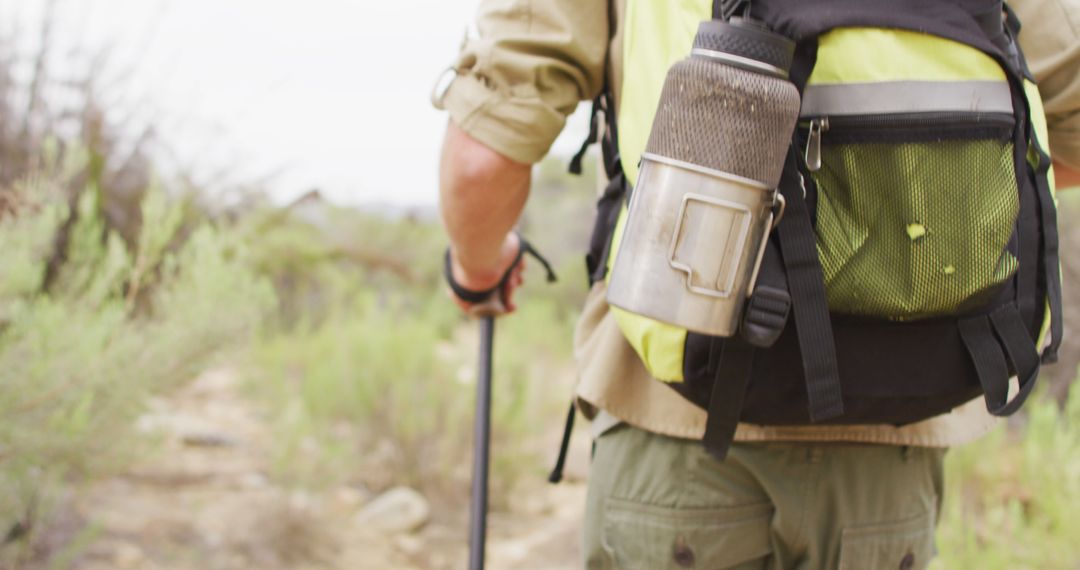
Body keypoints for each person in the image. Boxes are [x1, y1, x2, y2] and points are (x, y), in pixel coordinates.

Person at [435, 0, 1080, 567]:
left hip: (678, 430)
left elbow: (482, 159)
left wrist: (478, 270)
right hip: (895, 440)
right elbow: (1069, 128)